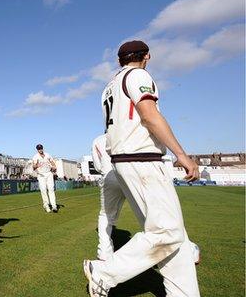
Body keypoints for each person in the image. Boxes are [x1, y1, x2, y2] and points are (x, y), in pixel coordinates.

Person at [84, 40, 200, 297]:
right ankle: (104, 272)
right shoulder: (138, 75)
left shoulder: (109, 85)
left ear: (119, 60)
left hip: (125, 161)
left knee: (172, 234)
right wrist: (182, 154)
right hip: (142, 159)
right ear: (147, 56)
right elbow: (149, 115)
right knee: (167, 232)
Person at [91, 133, 200, 263]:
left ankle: (104, 252)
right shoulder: (129, 129)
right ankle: (187, 250)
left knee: (106, 215)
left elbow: (97, 166)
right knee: (157, 212)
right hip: (132, 171)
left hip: (109, 176)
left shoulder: (97, 140)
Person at [32, 144, 58, 213]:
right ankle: (46, 205)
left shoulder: (47, 155)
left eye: (41, 148)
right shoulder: (35, 157)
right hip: (41, 175)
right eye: (39, 149)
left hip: (49, 173)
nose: (40, 150)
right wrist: (37, 165)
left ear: (43, 148)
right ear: (37, 150)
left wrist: (54, 167)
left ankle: (54, 205)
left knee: (51, 189)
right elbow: (33, 167)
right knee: (43, 190)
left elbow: (53, 164)